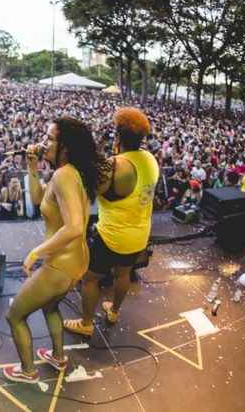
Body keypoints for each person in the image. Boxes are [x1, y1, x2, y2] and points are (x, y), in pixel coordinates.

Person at [3, 117, 107, 383]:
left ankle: (27, 372)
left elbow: (73, 227)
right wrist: (32, 167)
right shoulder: (69, 172)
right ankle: (58, 357)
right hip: (76, 262)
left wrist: (36, 252)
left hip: (60, 264)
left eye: (50, 138)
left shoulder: (63, 175)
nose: (43, 142)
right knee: (50, 308)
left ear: (66, 146)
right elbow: (39, 199)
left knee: (15, 316)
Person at [65, 107, 159, 336]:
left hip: (111, 237)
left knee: (89, 279)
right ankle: (114, 311)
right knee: (123, 274)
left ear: (117, 137)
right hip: (139, 235)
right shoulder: (150, 159)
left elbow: (90, 192)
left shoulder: (114, 166)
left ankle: (86, 324)